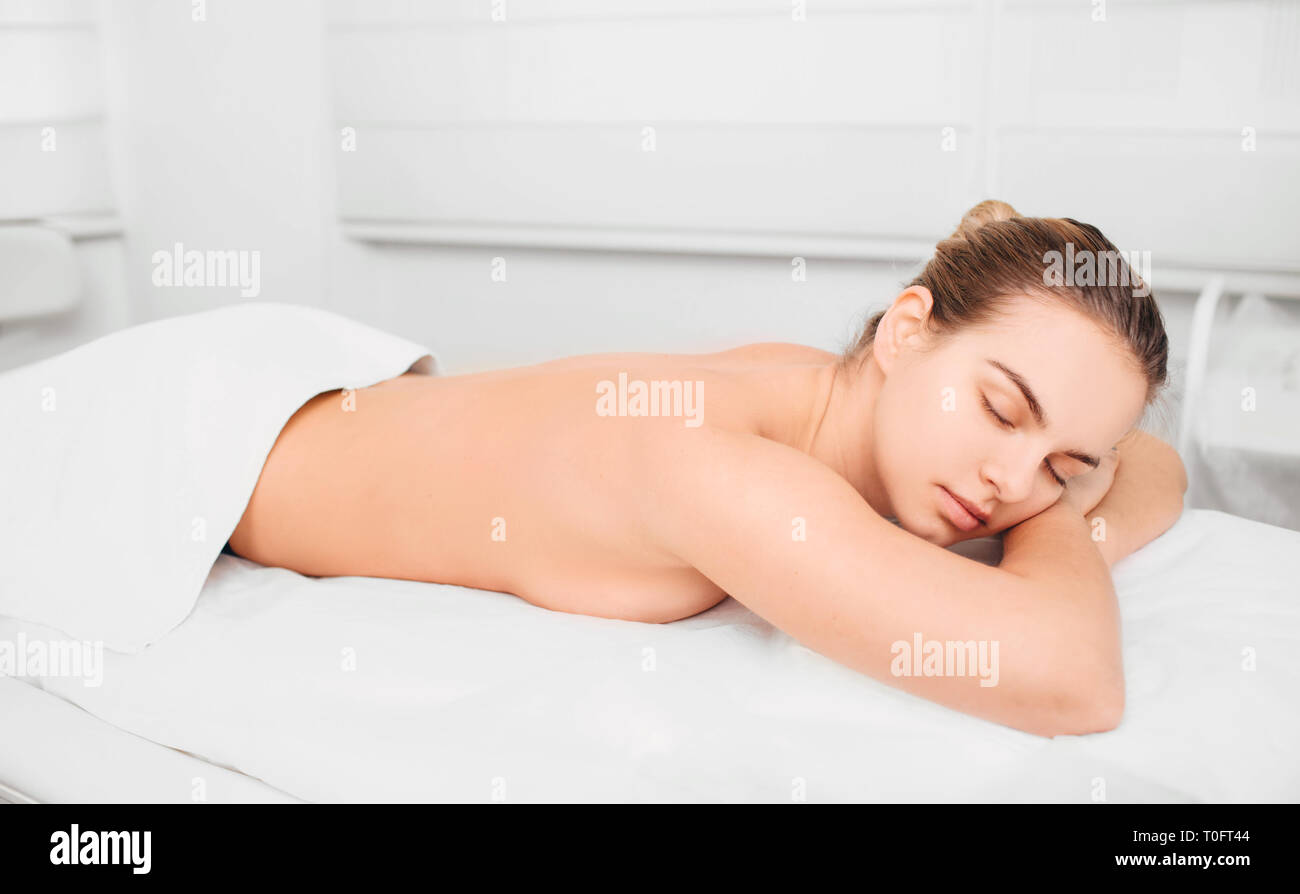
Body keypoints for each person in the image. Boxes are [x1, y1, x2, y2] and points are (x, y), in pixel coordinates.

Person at [227, 200, 1187, 737]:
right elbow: (1074, 678)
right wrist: (1060, 519)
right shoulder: (725, 467)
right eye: (1000, 410)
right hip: (217, 438)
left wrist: (1055, 486)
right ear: (905, 330)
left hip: (332, 397)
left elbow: (1160, 466)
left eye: (1063, 464)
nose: (1012, 481)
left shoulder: (828, 391)